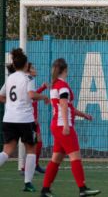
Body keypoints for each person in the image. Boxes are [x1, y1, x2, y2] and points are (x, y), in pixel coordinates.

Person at [40, 58, 101, 197]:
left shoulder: (55, 86)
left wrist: (84, 114)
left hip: (56, 125)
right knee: (75, 157)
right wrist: (67, 125)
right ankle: (82, 189)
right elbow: (63, 104)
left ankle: (45, 190)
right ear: (65, 70)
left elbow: (68, 107)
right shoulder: (62, 86)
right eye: (67, 70)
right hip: (63, 126)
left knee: (56, 159)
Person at [0, 48, 49, 192]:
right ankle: (28, 183)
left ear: (14, 65)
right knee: (31, 149)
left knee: (7, 151)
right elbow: (32, 95)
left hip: (9, 119)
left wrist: (12, 104)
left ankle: (28, 182)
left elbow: (1, 96)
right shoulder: (28, 78)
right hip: (25, 120)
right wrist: (44, 97)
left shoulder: (10, 78)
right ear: (26, 65)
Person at [11, 63, 48, 174]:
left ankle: (34, 165)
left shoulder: (29, 82)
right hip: (29, 119)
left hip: (32, 119)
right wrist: (33, 117)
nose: (35, 69)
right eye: (32, 68)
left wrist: (43, 88)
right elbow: (31, 98)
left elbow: (33, 96)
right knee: (31, 144)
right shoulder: (27, 80)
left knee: (38, 142)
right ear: (27, 70)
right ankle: (24, 167)